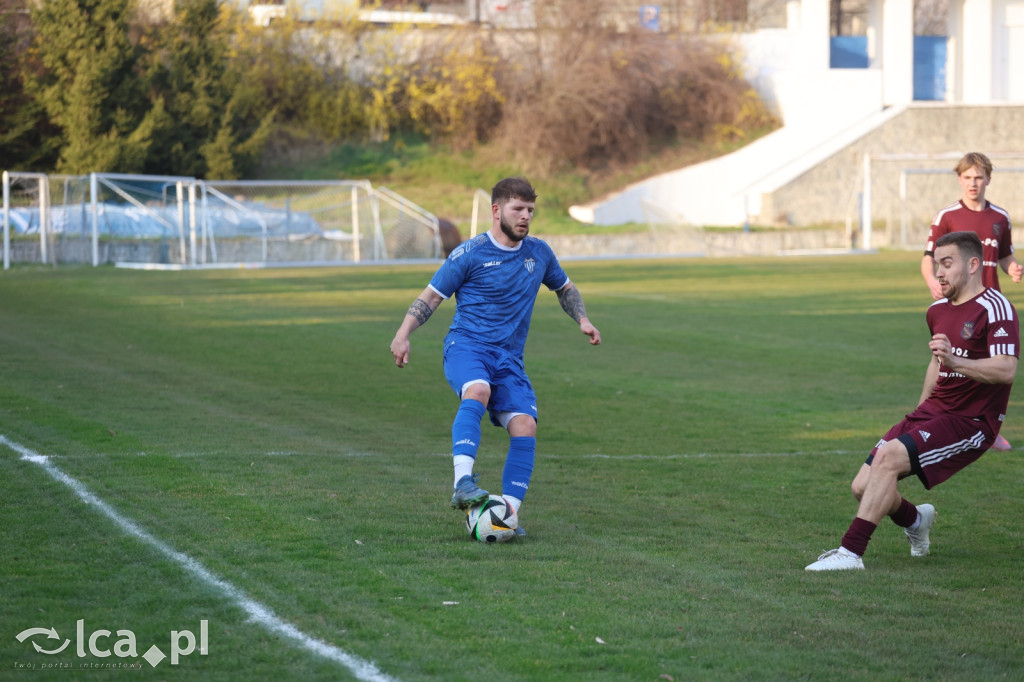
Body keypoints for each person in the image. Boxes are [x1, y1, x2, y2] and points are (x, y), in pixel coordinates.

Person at [389, 177, 601, 536]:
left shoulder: (539, 253)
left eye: (530, 210)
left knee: (525, 425)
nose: (525, 217)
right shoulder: (470, 253)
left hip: (509, 360)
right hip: (467, 347)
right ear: (496, 210)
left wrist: (582, 318)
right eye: (518, 209)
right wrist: (403, 333)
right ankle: (463, 483)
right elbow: (432, 296)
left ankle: (505, 517)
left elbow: (564, 287)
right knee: (478, 390)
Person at [807, 231, 1019, 571]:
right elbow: (937, 363)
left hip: (972, 421)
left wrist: (957, 362)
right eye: (937, 265)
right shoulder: (936, 310)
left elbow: (1006, 370)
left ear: (974, 264)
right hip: (935, 412)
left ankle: (850, 553)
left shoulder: (996, 308)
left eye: (947, 264)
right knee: (862, 486)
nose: (938, 273)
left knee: (888, 459)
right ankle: (916, 520)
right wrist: (922, 411)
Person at [920, 152, 1022, 451]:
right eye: (967, 177)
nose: (973, 183)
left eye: (978, 177)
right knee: (950, 362)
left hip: (992, 305)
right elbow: (929, 259)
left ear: (988, 178)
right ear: (959, 179)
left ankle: (986, 429)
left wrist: (1012, 267)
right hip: (960, 304)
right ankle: (943, 421)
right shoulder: (947, 216)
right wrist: (932, 282)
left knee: (996, 364)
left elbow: (1004, 255)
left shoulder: (1000, 217)